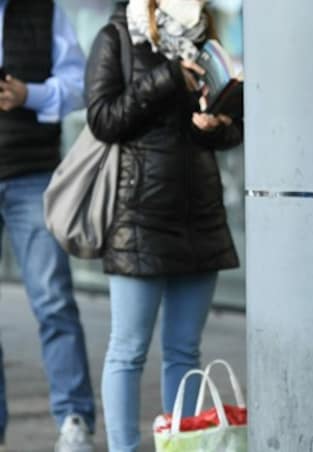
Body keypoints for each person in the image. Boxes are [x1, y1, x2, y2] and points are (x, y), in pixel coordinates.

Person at [84, 0, 242, 450]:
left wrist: (215, 126)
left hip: (200, 216)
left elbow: (232, 131)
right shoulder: (118, 37)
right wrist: (168, 77)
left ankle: (180, 445)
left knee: (185, 351)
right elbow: (102, 119)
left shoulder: (206, 38)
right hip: (140, 217)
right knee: (128, 350)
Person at [0, 0, 96, 451]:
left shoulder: (43, 9)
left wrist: (28, 95)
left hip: (31, 175)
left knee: (53, 299)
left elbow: (79, 84)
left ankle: (74, 418)